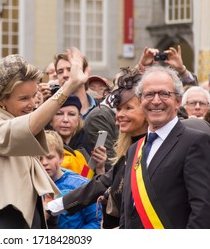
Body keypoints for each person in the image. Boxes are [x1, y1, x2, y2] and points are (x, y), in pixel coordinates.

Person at [0, 48, 87, 229]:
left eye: (34, 96)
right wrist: (68, 87)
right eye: (24, 98)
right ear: (2, 99)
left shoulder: (10, 119)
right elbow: (29, 127)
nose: (32, 104)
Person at [46, 67, 147, 229]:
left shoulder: (163, 145)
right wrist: (53, 207)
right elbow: (102, 183)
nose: (120, 115)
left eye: (128, 108)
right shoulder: (132, 150)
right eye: (119, 109)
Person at [121, 65, 210, 228]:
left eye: (164, 94)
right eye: (149, 94)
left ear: (177, 101)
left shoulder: (195, 142)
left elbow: (203, 209)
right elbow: (128, 209)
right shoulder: (134, 149)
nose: (156, 101)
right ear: (140, 101)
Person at [39, 130, 101, 229]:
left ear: (61, 157)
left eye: (50, 157)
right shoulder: (29, 185)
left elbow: (96, 222)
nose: (44, 163)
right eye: (39, 158)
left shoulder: (81, 185)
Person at [49, 94, 105, 177]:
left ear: (78, 119)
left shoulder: (88, 145)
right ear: (50, 119)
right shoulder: (42, 144)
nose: (65, 120)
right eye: (59, 114)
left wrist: (100, 167)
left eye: (71, 114)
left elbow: (89, 180)